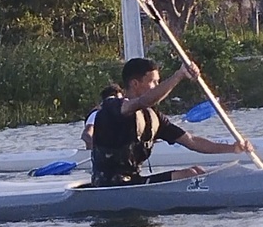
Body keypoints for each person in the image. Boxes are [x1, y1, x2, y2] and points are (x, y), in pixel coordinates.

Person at [90, 57, 253, 186]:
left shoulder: (153, 118)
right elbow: (142, 102)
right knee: (190, 174)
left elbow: (192, 141)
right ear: (135, 84)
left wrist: (233, 148)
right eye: (153, 82)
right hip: (108, 186)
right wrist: (179, 75)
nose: (157, 85)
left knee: (197, 171)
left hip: (133, 182)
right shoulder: (113, 107)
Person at [81, 83, 124, 151]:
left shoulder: (116, 114)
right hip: (99, 157)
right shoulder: (97, 114)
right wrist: (98, 152)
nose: (121, 103)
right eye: (119, 100)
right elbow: (86, 135)